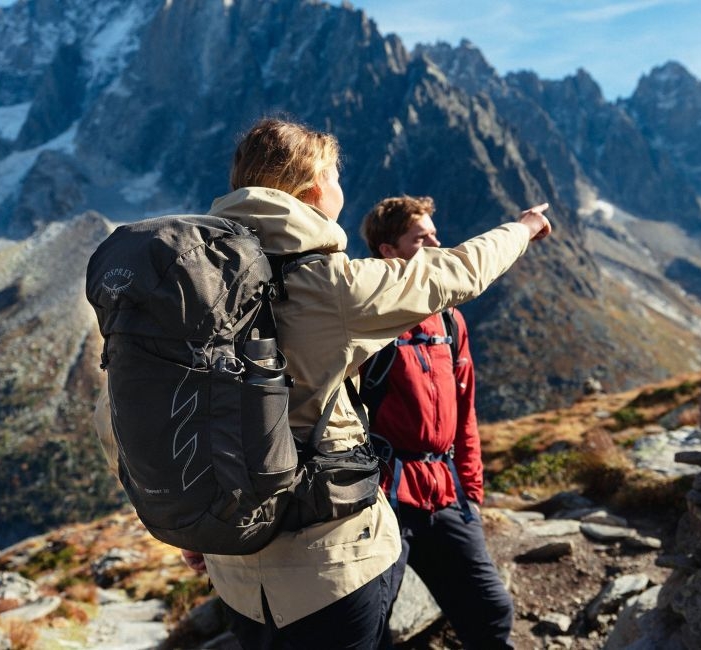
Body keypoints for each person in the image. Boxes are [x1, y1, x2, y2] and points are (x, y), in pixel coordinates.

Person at [97, 117, 551, 648]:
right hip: (332, 565)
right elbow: (458, 272)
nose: (340, 188)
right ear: (315, 187)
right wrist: (523, 229)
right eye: (336, 176)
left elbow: (118, 412)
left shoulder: (186, 291)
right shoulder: (330, 285)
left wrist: (187, 514)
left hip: (235, 567)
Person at [358, 196, 516, 648]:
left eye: (433, 232)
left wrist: (472, 490)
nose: (436, 242)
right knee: (369, 628)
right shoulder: (371, 317)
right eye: (421, 237)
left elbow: (465, 410)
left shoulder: (450, 318)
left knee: (490, 611)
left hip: (446, 492)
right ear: (389, 251)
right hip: (385, 497)